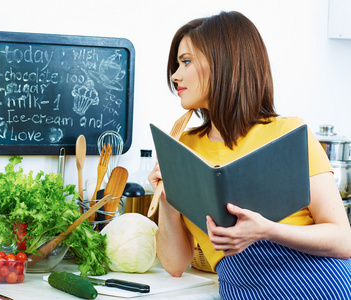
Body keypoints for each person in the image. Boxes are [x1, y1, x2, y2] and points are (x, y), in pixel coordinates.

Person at [148, 11, 351, 299]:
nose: (175, 75)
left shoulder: (288, 133)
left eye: (186, 62)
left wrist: (265, 230)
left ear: (223, 63)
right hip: (244, 289)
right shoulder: (183, 147)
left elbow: (343, 240)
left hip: (321, 285)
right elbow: (174, 264)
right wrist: (167, 199)